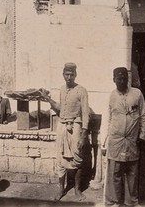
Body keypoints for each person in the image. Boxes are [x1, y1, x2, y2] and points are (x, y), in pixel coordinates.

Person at [40, 62, 90, 201]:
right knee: (60, 158)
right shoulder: (62, 89)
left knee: (77, 156)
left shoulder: (81, 90)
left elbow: (85, 113)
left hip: (75, 126)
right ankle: (61, 189)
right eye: (67, 74)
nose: (69, 77)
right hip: (62, 126)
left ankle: (77, 190)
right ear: (63, 75)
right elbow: (60, 108)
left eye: (72, 74)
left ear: (75, 75)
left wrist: (83, 135)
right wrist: (48, 98)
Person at [100, 67, 145, 207]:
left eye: (124, 78)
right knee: (114, 174)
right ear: (113, 79)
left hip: (133, 141)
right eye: (119, 78)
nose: (122, 81)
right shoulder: (110, 96)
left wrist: (142, 136)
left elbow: (144, 117)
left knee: (132, 173)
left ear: (128, 79)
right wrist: (103, 143)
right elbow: (106, 120)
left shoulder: (137, 94)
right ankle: (114, 202)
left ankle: (132, 202)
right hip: (115, 141)